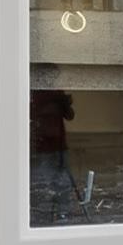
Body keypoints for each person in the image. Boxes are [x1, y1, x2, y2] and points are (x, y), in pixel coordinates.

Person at [30, 88, 82, 216]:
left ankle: (60, 214)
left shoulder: (54, 93)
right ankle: (51, 215)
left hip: (56, 146)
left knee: (60, 183)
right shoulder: (37, 90)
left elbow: (70, 115)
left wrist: (65, 103)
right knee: (46, 183)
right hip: (45, 147)